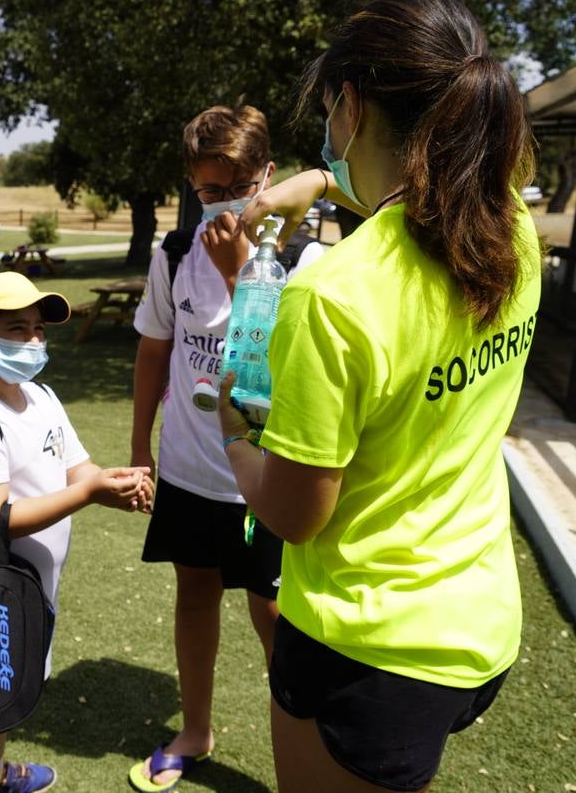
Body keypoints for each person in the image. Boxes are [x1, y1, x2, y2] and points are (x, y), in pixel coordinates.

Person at [220, 0, 540, 792]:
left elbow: (295, 516)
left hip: (362, 646)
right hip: (474, 622)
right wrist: (320, 188)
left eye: (329, 108)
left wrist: (232, 433)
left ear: (352, 108)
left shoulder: (334, 296)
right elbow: (422, 206)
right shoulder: (512, 232)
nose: (327, 131)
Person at [128, 103, 323, 792]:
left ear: (266, 175)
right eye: (206, 191)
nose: (221, 204)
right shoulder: (175, 254)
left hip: (264, 478)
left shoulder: (307, 262)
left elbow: (282, 364)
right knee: (194, 594)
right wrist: (140, 447)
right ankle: (196, 728)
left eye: (236, 186)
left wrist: (244, 269)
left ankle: (303, 753)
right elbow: (156, 351)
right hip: (188, 468)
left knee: (273, 613)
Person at [0, 273, 152, 793]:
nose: (33, 340)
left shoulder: (42, 397)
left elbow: (76, 468)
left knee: (8, 689)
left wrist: (113, 482)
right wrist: (90, 493)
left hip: (31, 585)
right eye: (16, 328)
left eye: (37, 328)